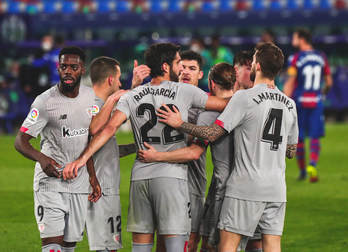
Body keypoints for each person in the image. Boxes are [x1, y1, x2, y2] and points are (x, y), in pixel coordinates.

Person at [63, 42, 230, 252]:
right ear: (167, 66)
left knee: (140, 248)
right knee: (175, 247)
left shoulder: (132, 95)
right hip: (172, 177)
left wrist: (82, 158)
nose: (182, 68)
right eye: (179, 62)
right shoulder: (185, 91)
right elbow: (226, 105)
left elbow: (107, 129)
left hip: (140, 176)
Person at [156, 42, 298, 252]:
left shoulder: (245, 97)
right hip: (277, 189)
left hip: (245, 187)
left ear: (257, 66)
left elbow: (213, 133)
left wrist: (180, 124)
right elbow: (290, 151)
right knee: (272, 246)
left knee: (227, 246)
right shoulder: (289, 104)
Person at [138, 62, 236, 252]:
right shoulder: (244, 104)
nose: (185, 72)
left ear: (206, 79)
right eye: (181, 66)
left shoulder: (208, 111)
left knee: (202, 244)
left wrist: (158, 153)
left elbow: (195, 150)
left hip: (207, 187)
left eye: (191, 68)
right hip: (233, 184)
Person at [14, 46, 101, 252]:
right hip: (50, 184)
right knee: (53, 247)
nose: (68, 71)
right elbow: (20, 141)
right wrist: (41, 158)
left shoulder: (91, 98)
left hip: (78, 185)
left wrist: (92, 176)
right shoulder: (44, 102)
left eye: (73, 67)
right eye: (63, 67)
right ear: (58, 69)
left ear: (83, 70)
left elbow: (88, 141)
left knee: (69, 247)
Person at [85, 56, 136, 252]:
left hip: (94, 186)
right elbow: (92, 137)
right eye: (119, 78)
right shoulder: (99, 108)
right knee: (107, 248)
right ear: (110, 80)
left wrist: (135, 147)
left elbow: (103, 148)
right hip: (102, 188)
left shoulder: (88, 103)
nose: (120, 83)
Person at [283, 28, 333, 182]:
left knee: (299, 137)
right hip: (316, 100)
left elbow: (291, 81)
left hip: (300, 101)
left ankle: (303, 172)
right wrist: (322, 93)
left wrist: (283, 99)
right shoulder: (321, 56)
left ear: (302, 39)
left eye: (294, 37)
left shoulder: (296, 57)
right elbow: (329, 82)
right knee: (315, 135)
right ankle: (312, 164)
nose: (292, 40)